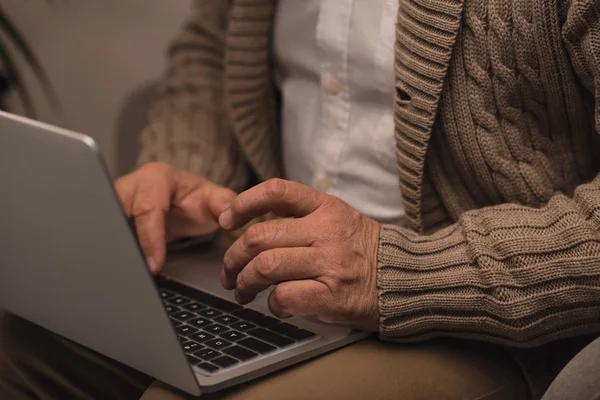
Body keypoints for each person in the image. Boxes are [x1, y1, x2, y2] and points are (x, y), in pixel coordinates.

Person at [1, 0, 600, 399]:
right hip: (252, 275)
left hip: (483, 323)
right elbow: (214, 47)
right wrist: (188, 171)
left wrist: (395, 271)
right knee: (13, 342)